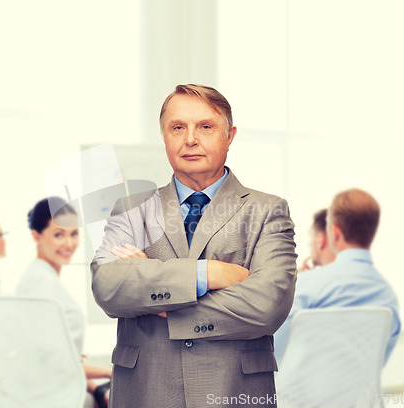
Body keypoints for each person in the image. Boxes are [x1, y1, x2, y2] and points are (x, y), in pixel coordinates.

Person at [91, 84, 297, 408]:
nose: (190, 139)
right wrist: (208, 273)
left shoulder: (268, 210)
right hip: (147, 393)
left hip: (233, 394)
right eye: (177, 128)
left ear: (230, 136)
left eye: (205, 126)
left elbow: (267, 305)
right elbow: (108, 286)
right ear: (164, 136)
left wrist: (154, 297)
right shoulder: (132, 207)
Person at [273, 188, 400, 364]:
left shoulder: (306, 286)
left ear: (335, 232)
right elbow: (378, 362)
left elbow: (272, 349)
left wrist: (294, 288)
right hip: (361, 392)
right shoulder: (389, 297)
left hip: (299, 390)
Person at [16, 197, 111, 407]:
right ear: (36, 236)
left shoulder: (36, 275)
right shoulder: (44, 284)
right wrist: (107, 374)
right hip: (53, 394)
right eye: (58, 234)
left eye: (74, 234)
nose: (69, 244)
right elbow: (51, 362)